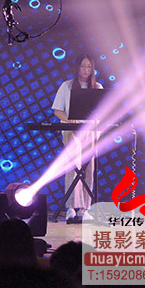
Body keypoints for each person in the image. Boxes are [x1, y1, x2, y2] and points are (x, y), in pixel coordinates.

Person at [52, 53, 103, 223]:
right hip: (71, 130)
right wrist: (69, 120)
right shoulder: (66, 86)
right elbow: (57, 110)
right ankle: (71, 208)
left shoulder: (97, 87)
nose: (86, 70)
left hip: (90, 131)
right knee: (73, 167)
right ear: (77, 67)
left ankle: (85, 208)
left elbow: (101, 111)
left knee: (88, 168)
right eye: (83, 66)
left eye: (89, 67)